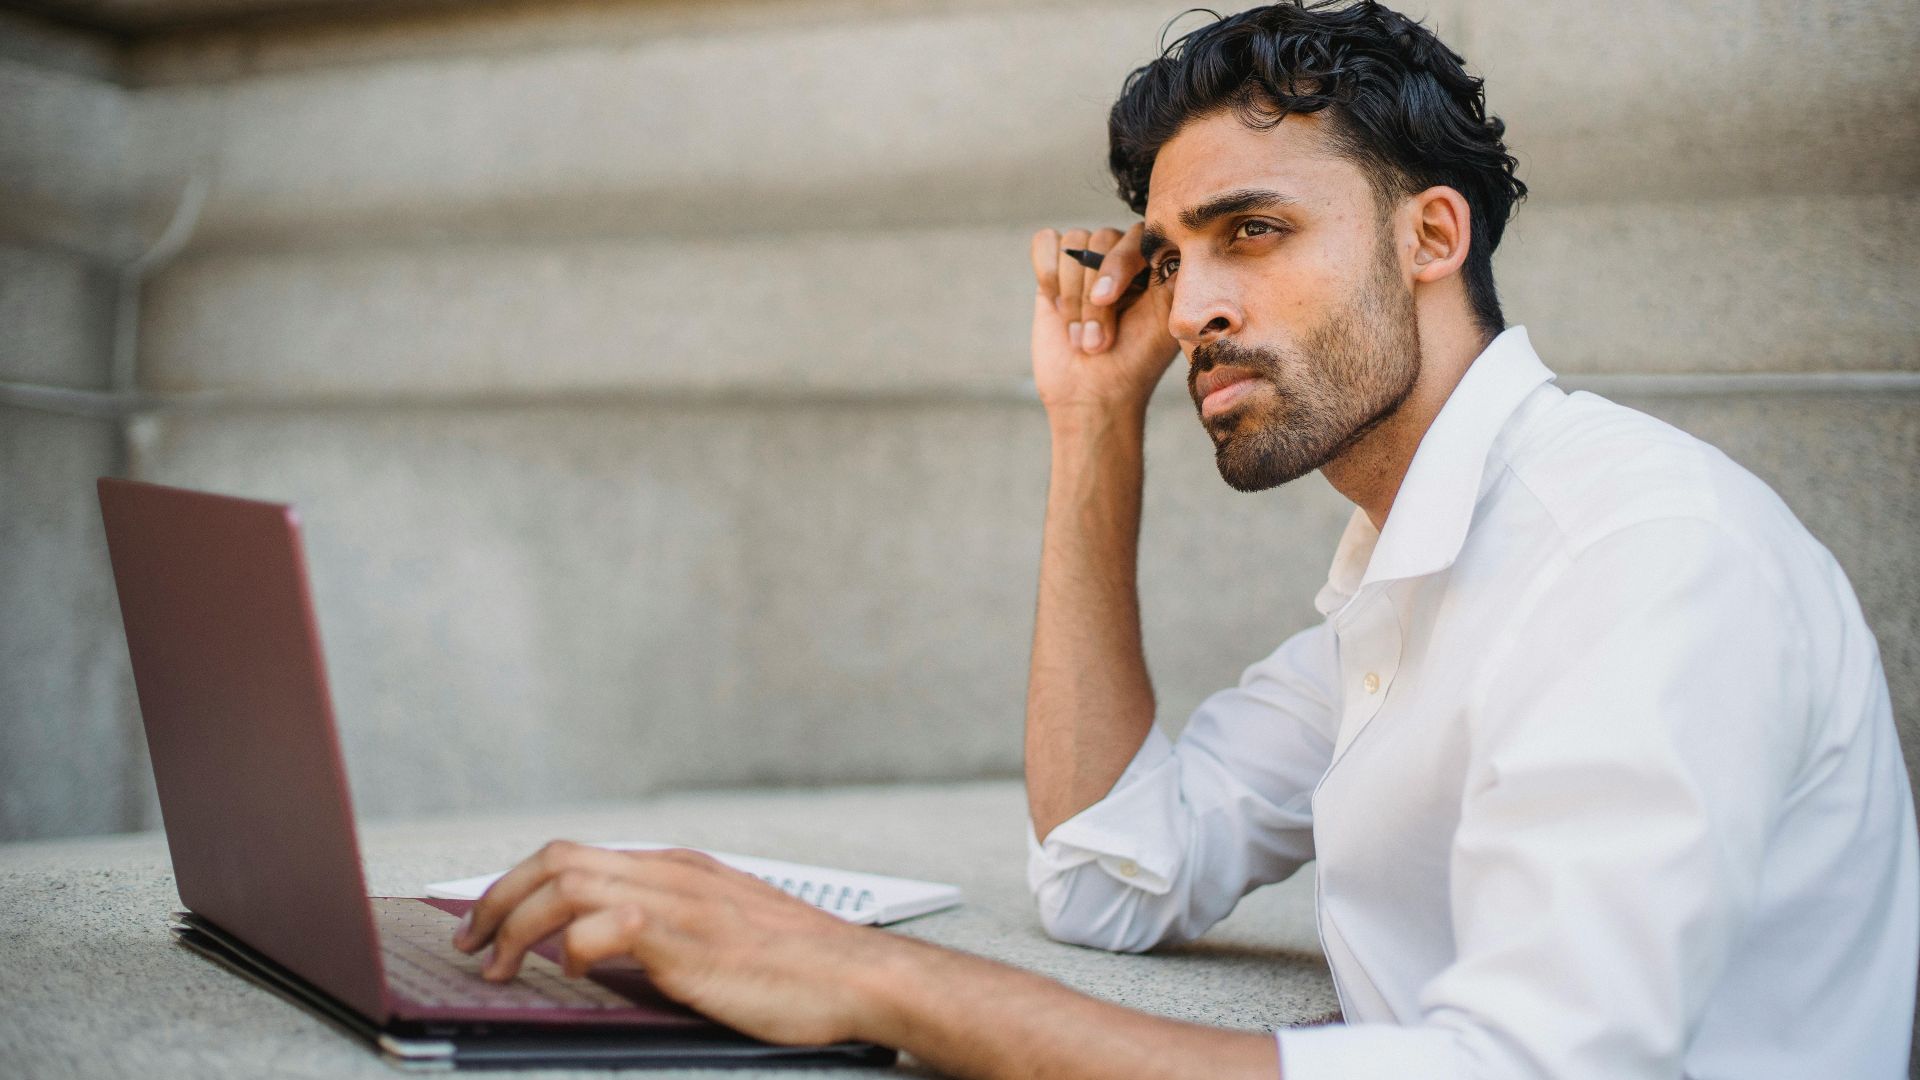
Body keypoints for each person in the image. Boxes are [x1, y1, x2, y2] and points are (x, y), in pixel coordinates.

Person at [451, 2, 1920, 1076]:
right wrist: (1094, 419)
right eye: (1171, 254)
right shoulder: (1405, 573)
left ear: (1432, 238)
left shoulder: (1635, 556)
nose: (1195, 303)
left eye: (1254, 232)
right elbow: (1107, 873)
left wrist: (863, 977)